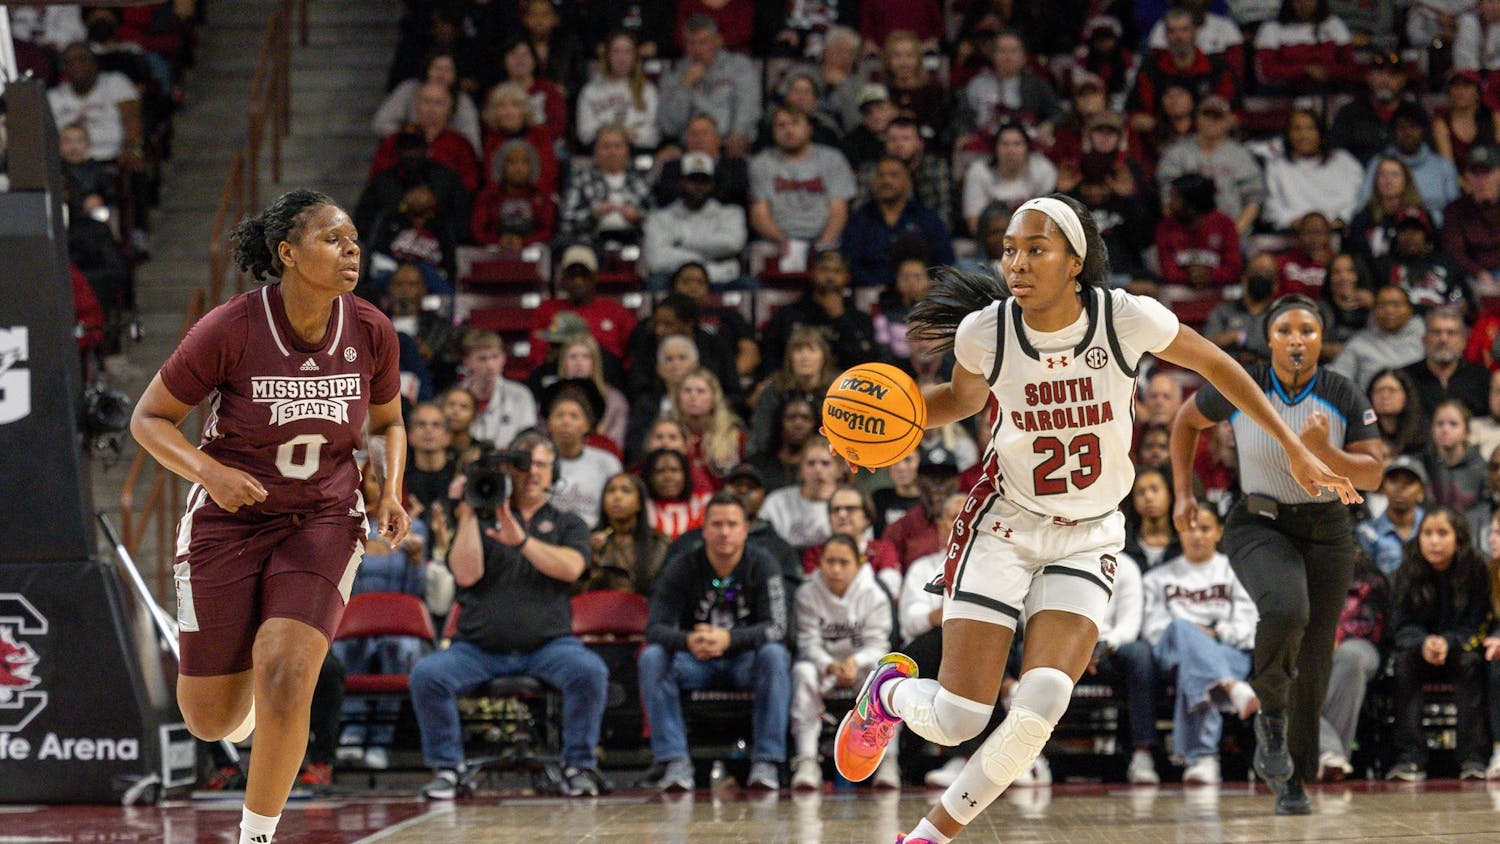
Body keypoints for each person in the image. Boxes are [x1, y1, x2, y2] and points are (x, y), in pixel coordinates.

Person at [837, 194, 1357, 844]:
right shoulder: (986, 332)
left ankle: (927, 837)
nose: (1016, 263)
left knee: (1043, 704)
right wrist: (878, 432)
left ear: (1075, 261)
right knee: (959, 717)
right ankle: (887, 693)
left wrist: (1293, 447)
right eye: (1010, 250)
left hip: (1087, 535)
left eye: (1036, 250)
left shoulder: (1124, 319)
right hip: (1005, 524)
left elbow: (1219, 365)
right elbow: (959, 401)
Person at [129, 190, 410, 844]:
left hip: (324, 515)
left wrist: (390, 489)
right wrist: (209, 472)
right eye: (333, 239)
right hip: (231, 517)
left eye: (354, 241)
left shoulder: (371, 329)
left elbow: (388, 423)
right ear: (288, 252)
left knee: (288, 673)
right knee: (208, 719)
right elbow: (149, 419)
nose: (351, 251)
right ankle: (255, 708)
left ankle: (256, 835)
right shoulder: (230, 327)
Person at [1171, 293, 1382, 814]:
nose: (1296, 340)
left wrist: (1324, 451)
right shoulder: (1244, 382)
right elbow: (1184, 423)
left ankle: (1294, 777)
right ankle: (1268, 721)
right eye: (1285, 330)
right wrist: (1182, 495)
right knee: (1287, 609)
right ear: (1268, 339)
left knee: (1315, 657)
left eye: (1307, 331)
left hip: (1328, 529)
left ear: (1321, 340)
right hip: (1259, 523)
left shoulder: (1342, 391)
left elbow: (1374, 472)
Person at [408, 431, 611, 799]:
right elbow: (465, 575)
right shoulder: (482, 518)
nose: (532, 473)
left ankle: (578, 766)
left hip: (548, 645)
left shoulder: (568, 523)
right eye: (524, 465)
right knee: (428, 675)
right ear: (508, 471)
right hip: (478, 647)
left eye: (541, 465)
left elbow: (572, 568)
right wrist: (469, 512)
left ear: (553, 473)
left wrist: (522, 541)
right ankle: (448, 768)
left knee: (590, 671)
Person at [638, 492, 790, 791]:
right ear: (703, 529)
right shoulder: (682, 566)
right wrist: (688, 640)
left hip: (745, 661)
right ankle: (674, 761)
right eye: (717, 524)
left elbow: (779, 627)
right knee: (652, 657)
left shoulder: (763, 564)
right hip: (696, 660)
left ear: (745, 529)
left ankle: (767, 761)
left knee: (775, 655)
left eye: (732, 524)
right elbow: (654, 628)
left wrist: (729, 639)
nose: (724, 532)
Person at [1141, 503, 1260, 785]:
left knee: (1196, 669)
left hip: (1227, 652)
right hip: (1172, 654)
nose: (1196, 536)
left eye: (1205, 529)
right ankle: (1229, 688)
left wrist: (1215, 635)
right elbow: (1154, 630)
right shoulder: (1157, 578)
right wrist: (1191, 634)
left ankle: (1203, 758)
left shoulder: (1237, 572)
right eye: (1189, 529)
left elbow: (1247, 626)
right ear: (1179, 532)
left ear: (1219, 532)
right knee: (1181, 628)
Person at [1385, 507, 1491, 781]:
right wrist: (1423, 642)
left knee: (1470, 664)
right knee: (1404, 664)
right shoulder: (1407, 570)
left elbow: (1478, 622)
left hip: (1460, 648)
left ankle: (1473, 758)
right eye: (1427, 534)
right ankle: (1410, 758)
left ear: (1458, 538)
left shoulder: (1476, 570)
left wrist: (1448, 642)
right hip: (1418, 650)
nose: (1434, 541)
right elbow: (1399, 624)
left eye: (1442, 533)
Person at [791, 534, 899, 790]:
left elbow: (879, 645)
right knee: (802, 671)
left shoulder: (874, 594)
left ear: (858, 564)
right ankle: (807, 761)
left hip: (861, 668)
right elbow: (807, 643)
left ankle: (888, 761)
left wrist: (855, 662)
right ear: (820, 563)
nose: (836, 569)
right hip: (824, 668)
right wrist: (829, 665)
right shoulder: (806, 594)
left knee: (888, 675)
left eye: (843, 562)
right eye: (830, 561)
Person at [1317, 548, 1388, 781]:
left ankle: (1327, 754)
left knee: (1349, 658)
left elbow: (1373, 626)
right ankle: (1332, 755)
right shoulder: (1293, 572)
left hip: (1360, 646)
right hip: (1308, 650)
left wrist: (1333, 638)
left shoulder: (1369, 577)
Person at [658, 15, 760, 156]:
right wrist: (684, 87)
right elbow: (670, 126)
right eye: (691, 43)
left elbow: (749, 105)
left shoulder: (739, 66)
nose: (697, 49)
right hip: (689, 147)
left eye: (703, 42)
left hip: (729, 144)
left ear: (718, 41)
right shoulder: (675, 75)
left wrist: (739, 132)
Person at [1264, 107, 1363, 230]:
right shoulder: (1276, 166)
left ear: (1320, 133)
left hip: (1338, 231)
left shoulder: (1344, 161)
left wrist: (1341, 220)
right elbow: (1271, 206)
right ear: (1288, 134)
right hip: (1292, 232)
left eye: (1310, 129)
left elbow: (1359, 198)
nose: (1303, 136)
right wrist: (1293, 222)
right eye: (1297, 129)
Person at [1328, 285, 1425, 393]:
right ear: (1374, 310)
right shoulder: (1359, 343)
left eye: (1396, 305)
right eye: (1382, 305)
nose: (1389, 310)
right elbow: (1337, 380)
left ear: (1410, 310)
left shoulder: (1427, 336)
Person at [585, 473, 669, 595]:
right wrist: (592, 559)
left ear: (639, 503)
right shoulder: (588, 540)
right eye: (611, 491)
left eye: (626, 490)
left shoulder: (659, 543)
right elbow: (577, 590)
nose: (617, 497)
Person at [1401, 307, 1490, 421]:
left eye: (1451, 333)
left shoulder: (1483, 378)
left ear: (1463, 341)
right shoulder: (1405, 378)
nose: (1443, 339)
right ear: (1424, 340)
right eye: (1436, 332)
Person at [457, 329, 537, 450]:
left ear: (503, 358)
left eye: (495, 357)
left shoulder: (521, 395)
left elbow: (528, 438)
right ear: (467, 362)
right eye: (482, 359)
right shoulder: (456, 396)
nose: (490, 365)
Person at [1357, 455, 1430, 576]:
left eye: (1408, 482)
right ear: (1383, 486)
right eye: (1393, 480)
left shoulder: (1432, 529)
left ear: (1421, 489)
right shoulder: (1367, 533)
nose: (1399, 488)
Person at [1423, 399, 1488, 512]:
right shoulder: (1424, 463)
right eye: (1439, 424)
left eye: (1453, 424)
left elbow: (1485, 508)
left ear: (1467, 431)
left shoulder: (1480, 467)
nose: (1445, 430)